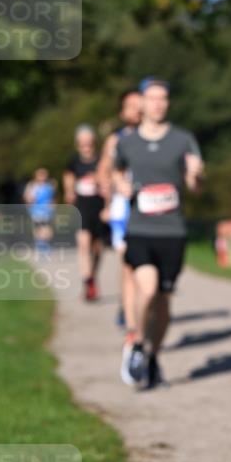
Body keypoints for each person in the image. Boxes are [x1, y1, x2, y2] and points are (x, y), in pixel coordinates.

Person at [114, 77, 204, 389]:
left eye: (163, 98)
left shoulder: (183, 140)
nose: (158, 103)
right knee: (147, 287)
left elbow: (195, 186)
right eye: (152, 98)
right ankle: (137, 343)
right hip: (139, 228)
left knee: (164, 300)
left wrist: (195, 176)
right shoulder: (126, 142)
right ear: (141, 102)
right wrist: (120, 185)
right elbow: (113, 171)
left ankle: (153, 357)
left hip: (172, 231)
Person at [96, 89, 142, 330]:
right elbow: (102, 173)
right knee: (128, 261)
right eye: (131, 105)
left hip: (149, 208)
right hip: (123, 208)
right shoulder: (115, 140)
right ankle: (128, 308)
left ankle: (141, 306)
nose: (137, 109)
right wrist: (109, 196)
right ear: (123, 112)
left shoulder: (157, 137)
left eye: (140, 103)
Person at [63, 125, 107, 301]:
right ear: (77, 143)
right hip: (82, 206)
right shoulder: (74, 161)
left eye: (88, 142)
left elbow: (107, 177)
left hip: (99, 206)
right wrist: (69, 191)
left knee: (98, 248)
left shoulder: (101, 160)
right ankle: (88, 281)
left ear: (93, 142)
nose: (86, 145)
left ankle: (92, 276)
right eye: (82, 142)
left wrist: (100, 181)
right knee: (84, 244)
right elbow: (68, 177)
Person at [23, 167, 57, 258]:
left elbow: (52, 198)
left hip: (47, 210)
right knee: (39, 229)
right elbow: (27, 198)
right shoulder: (32, 186)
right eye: (40, 174)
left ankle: (43, 244)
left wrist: (53, 205)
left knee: (48, 231)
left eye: (44, 174)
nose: (42, 176)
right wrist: (30, 201)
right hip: (36, 210)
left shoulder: (50, 185)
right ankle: (42, 247)